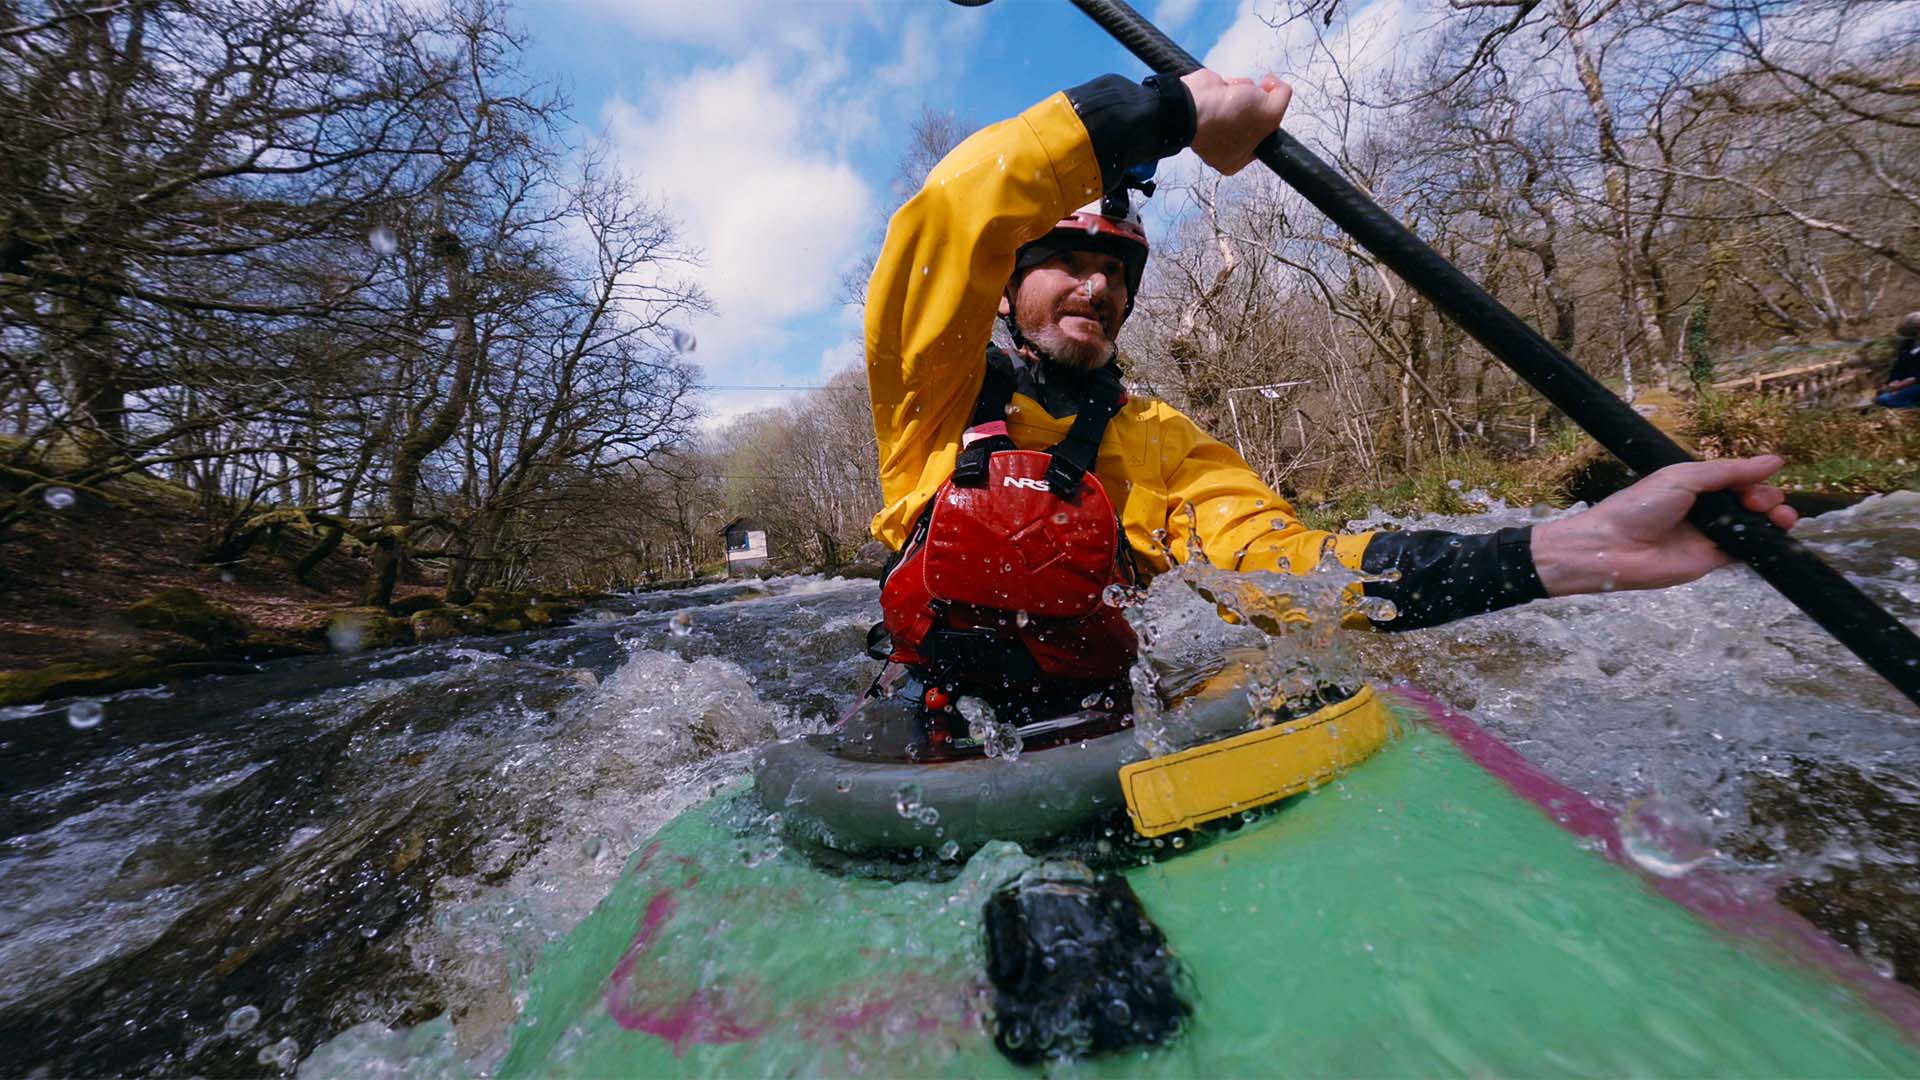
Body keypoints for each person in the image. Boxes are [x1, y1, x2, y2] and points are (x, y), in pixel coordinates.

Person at [861, 69, 1797, 745]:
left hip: (1096, 731)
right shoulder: (930, 400)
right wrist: (1175, 114)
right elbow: (951, 216)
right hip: (932, 732)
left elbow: (1286, 573)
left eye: (1116, 274)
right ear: (1006, 289)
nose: (1097, 287)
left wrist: (1557, 550)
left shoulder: (1159, 440)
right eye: (1068, 262)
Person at [1874, 311, 1920, 409]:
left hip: (1917, 384)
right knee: (1881, 393)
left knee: (1884, 400)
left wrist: (1904, 385)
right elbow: (1898, 367)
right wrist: (1894, 381)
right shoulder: (1907, 345)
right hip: (1904, 383)